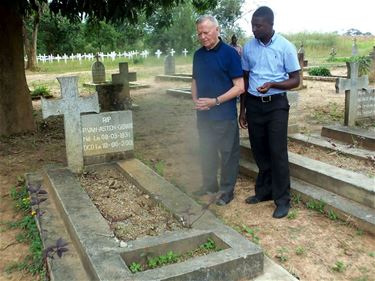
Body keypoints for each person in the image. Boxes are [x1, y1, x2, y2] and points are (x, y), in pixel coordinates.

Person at [239, 6, 300, 218]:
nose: (254, 29)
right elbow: (245, 80)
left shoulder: (285, 47)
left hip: (276, 106)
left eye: (259, 26)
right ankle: (264, 192)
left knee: (277, 152)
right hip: (254, 105)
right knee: (259, 151)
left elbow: (295, 80)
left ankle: (282, 200)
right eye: (253, 25)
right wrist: (243, 109)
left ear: (270, 25)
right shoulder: (248, 47)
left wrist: (273, 84)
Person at [192, 15, 245, 206]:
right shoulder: (198, 55)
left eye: (206, 32)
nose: (203, 37)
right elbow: (195, 80)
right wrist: (195, 100)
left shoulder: (230, 54)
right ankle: (209, 185)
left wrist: (215, 101)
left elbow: (240, 86)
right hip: (203, 115)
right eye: (199, 33)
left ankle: (226, 191)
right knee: (206, 150)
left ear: (217, 30)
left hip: (223, 115)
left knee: (228, 154)